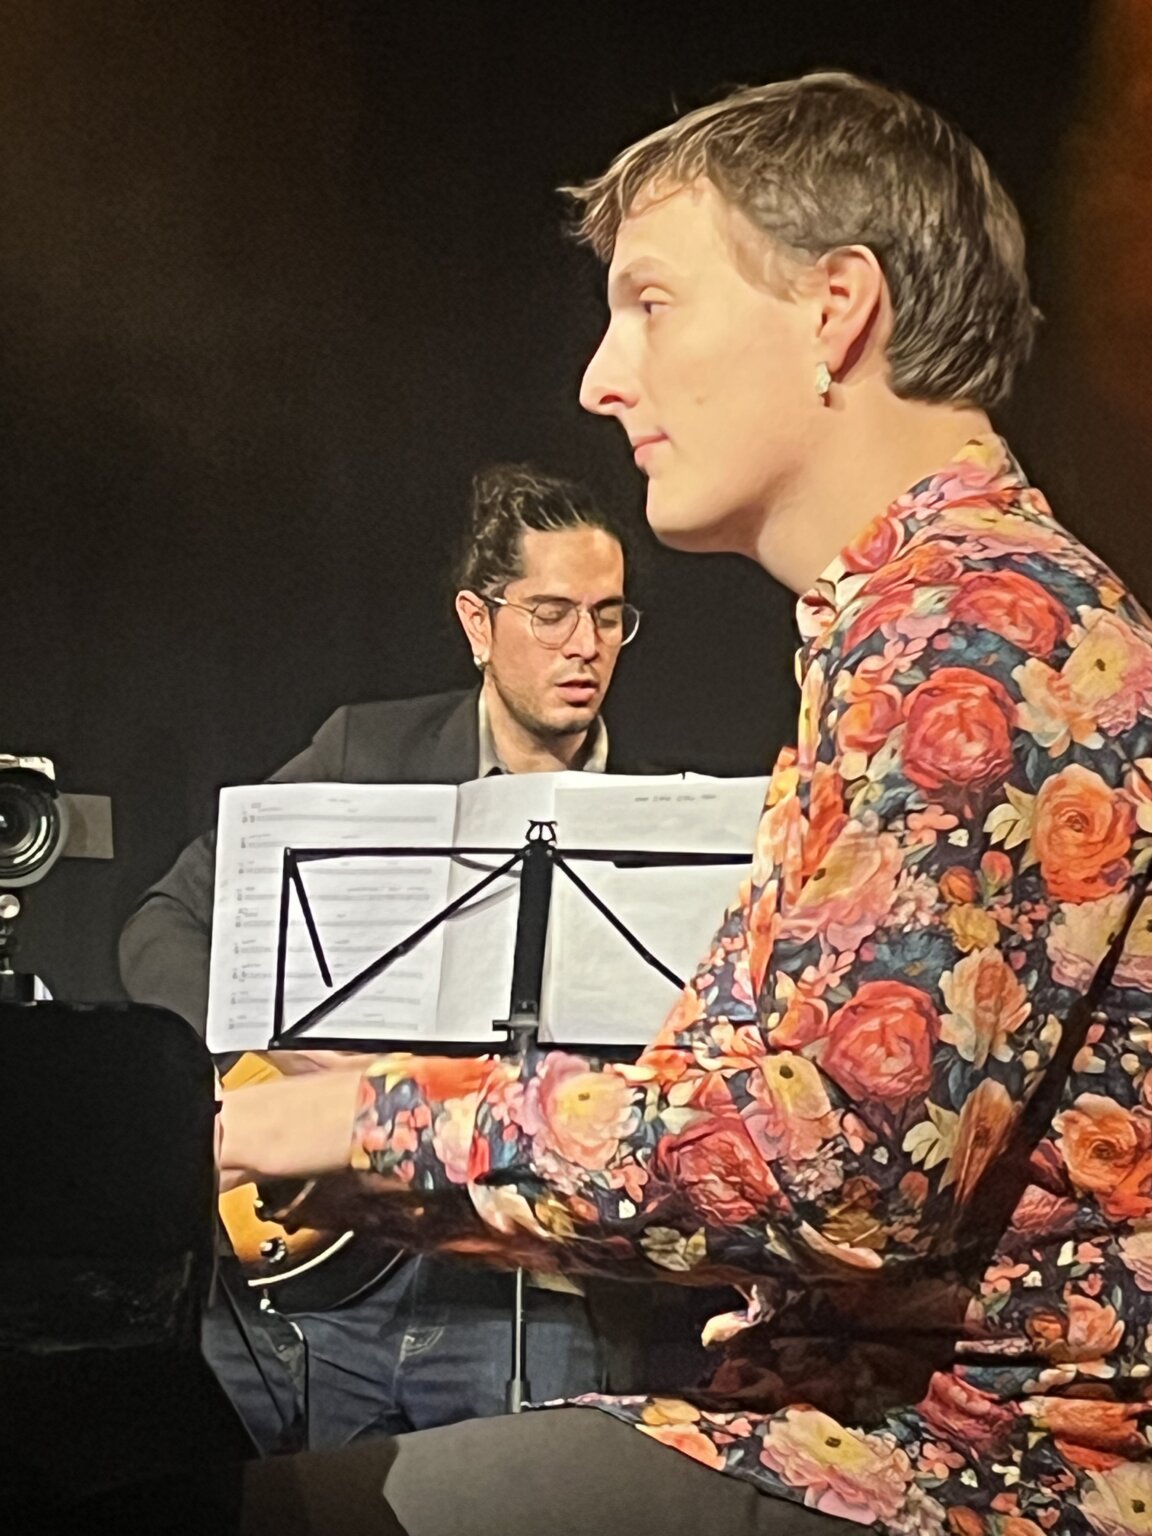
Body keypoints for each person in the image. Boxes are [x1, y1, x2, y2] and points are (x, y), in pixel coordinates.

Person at [224, 72, 1152, 1534]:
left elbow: (842, 1170)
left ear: (836, 310)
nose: (602, 378)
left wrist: (379, 1121)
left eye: (650, 305)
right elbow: (743, 1158)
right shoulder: (910, 624)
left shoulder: (982, 633)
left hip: (970, 1476)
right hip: (841, 1426)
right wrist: (395, 1188)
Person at [120, 463, 660, 1455]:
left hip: (525, 1292)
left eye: (609, 616)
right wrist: (297, 1064)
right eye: (551, 613)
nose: (585, 645)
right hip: (323, 1267)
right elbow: (164, 924)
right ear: (477, 622)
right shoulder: (365, 754)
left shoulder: (662, 822)